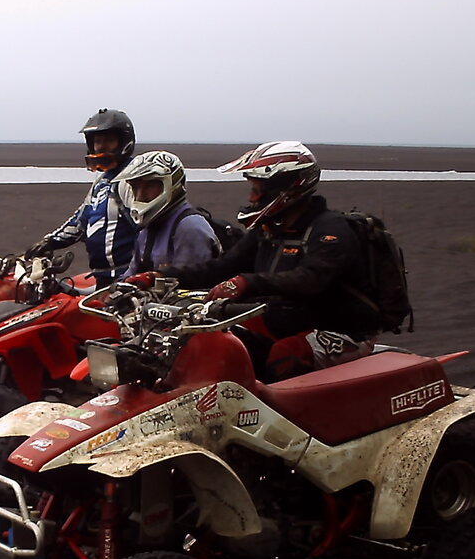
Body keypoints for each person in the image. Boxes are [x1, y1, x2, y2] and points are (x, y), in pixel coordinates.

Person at [145, 141, 380, 381]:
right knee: (210, 341)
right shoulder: (269, 231)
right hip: (288, 320)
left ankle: (300, 417)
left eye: (257, 189)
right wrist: (160, 277)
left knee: (286, 356)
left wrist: (247, 283)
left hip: (339, 328)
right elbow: (221, 268)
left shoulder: (330, 230)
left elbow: (310, 280)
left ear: (287, 188)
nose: (251, 196)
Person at [25, 108, 140, 285]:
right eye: (97, 141)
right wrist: (50, 242)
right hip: (102, 277)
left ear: (124, 141)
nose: (101, 146)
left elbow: (148, 230)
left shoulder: (133, 180)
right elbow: (80, 221)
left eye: (108, 140)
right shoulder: (102, 181)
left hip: (127, 278)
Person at [118, 150, 220, 273]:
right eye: (135, 187)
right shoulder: (148, 226)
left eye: (149, 186)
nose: (141, 195)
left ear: (171, 185)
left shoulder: (189, 227)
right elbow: (131, 274)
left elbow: (187, 282)